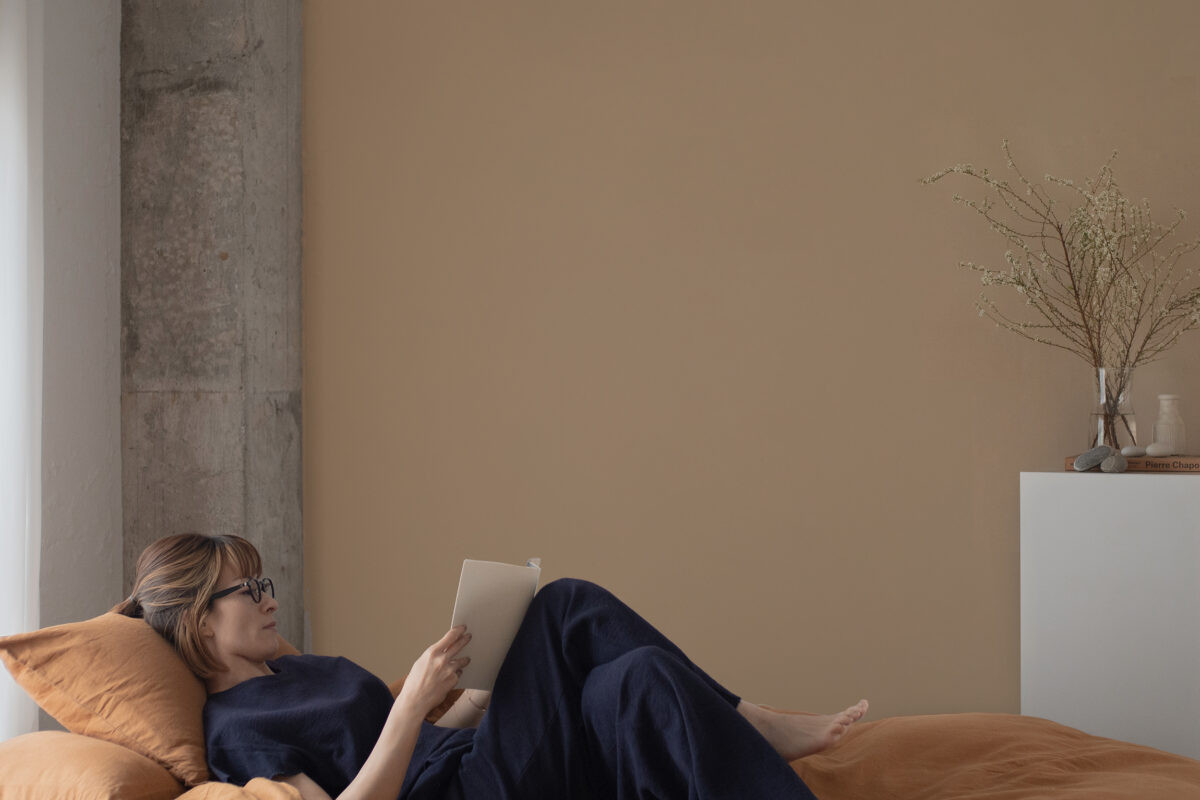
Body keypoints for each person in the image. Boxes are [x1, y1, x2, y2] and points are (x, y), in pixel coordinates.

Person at [113, 534, 868, 799]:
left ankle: (750, 737)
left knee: (638, 678)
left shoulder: (304, 671)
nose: (270, 599)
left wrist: (478, 687)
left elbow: (433, 739)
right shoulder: (236, 730)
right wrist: (412, 706)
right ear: (200, 622)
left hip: (476, 763)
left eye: (265, 583)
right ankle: (754, 721)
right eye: (250, 591)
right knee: (566, 601)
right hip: (461, 796)